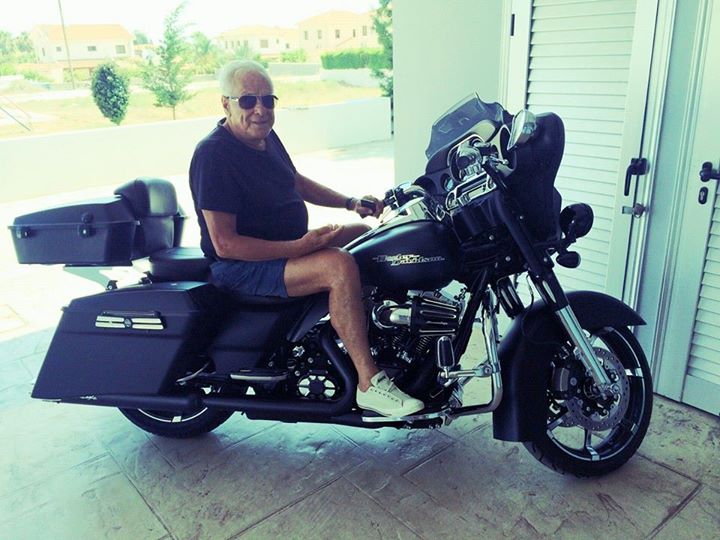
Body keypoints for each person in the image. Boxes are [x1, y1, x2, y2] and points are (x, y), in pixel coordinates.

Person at [189, 60, 424, 417]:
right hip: (240, 268)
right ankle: (368, 383)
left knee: (368, 238)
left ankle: (381, 334)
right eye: (248, 100)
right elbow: (226, 244)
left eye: (267, 100)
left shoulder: (265, 138)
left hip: (285, 250)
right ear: (226, 103)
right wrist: (299, 247)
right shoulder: (214, 155)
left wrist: (350, 203)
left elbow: (294, 181)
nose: (260, 109)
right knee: (338, 266)